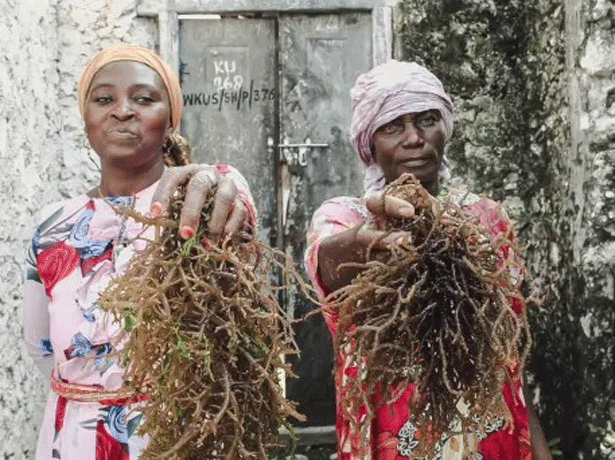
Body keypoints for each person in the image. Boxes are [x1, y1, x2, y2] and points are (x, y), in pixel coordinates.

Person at [305, 60, 553, 460]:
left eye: (426, 120)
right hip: (395, 442)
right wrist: (365, 244)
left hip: (490, 437)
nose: (414, 139)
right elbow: (327, 263)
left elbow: (510, 358)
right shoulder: (345, 218)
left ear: (445, 129)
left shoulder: (486, 219)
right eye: (391, 126)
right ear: (370, 142)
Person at [22, 44, 256, 459]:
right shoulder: (52, 226)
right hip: (72, 438)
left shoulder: (198, 198)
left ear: (170, 122)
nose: (123, 111)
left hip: (176, 434)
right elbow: (41, 346)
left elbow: (234, 208)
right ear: (86, 118)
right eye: (104, 99)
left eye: (144, 99)